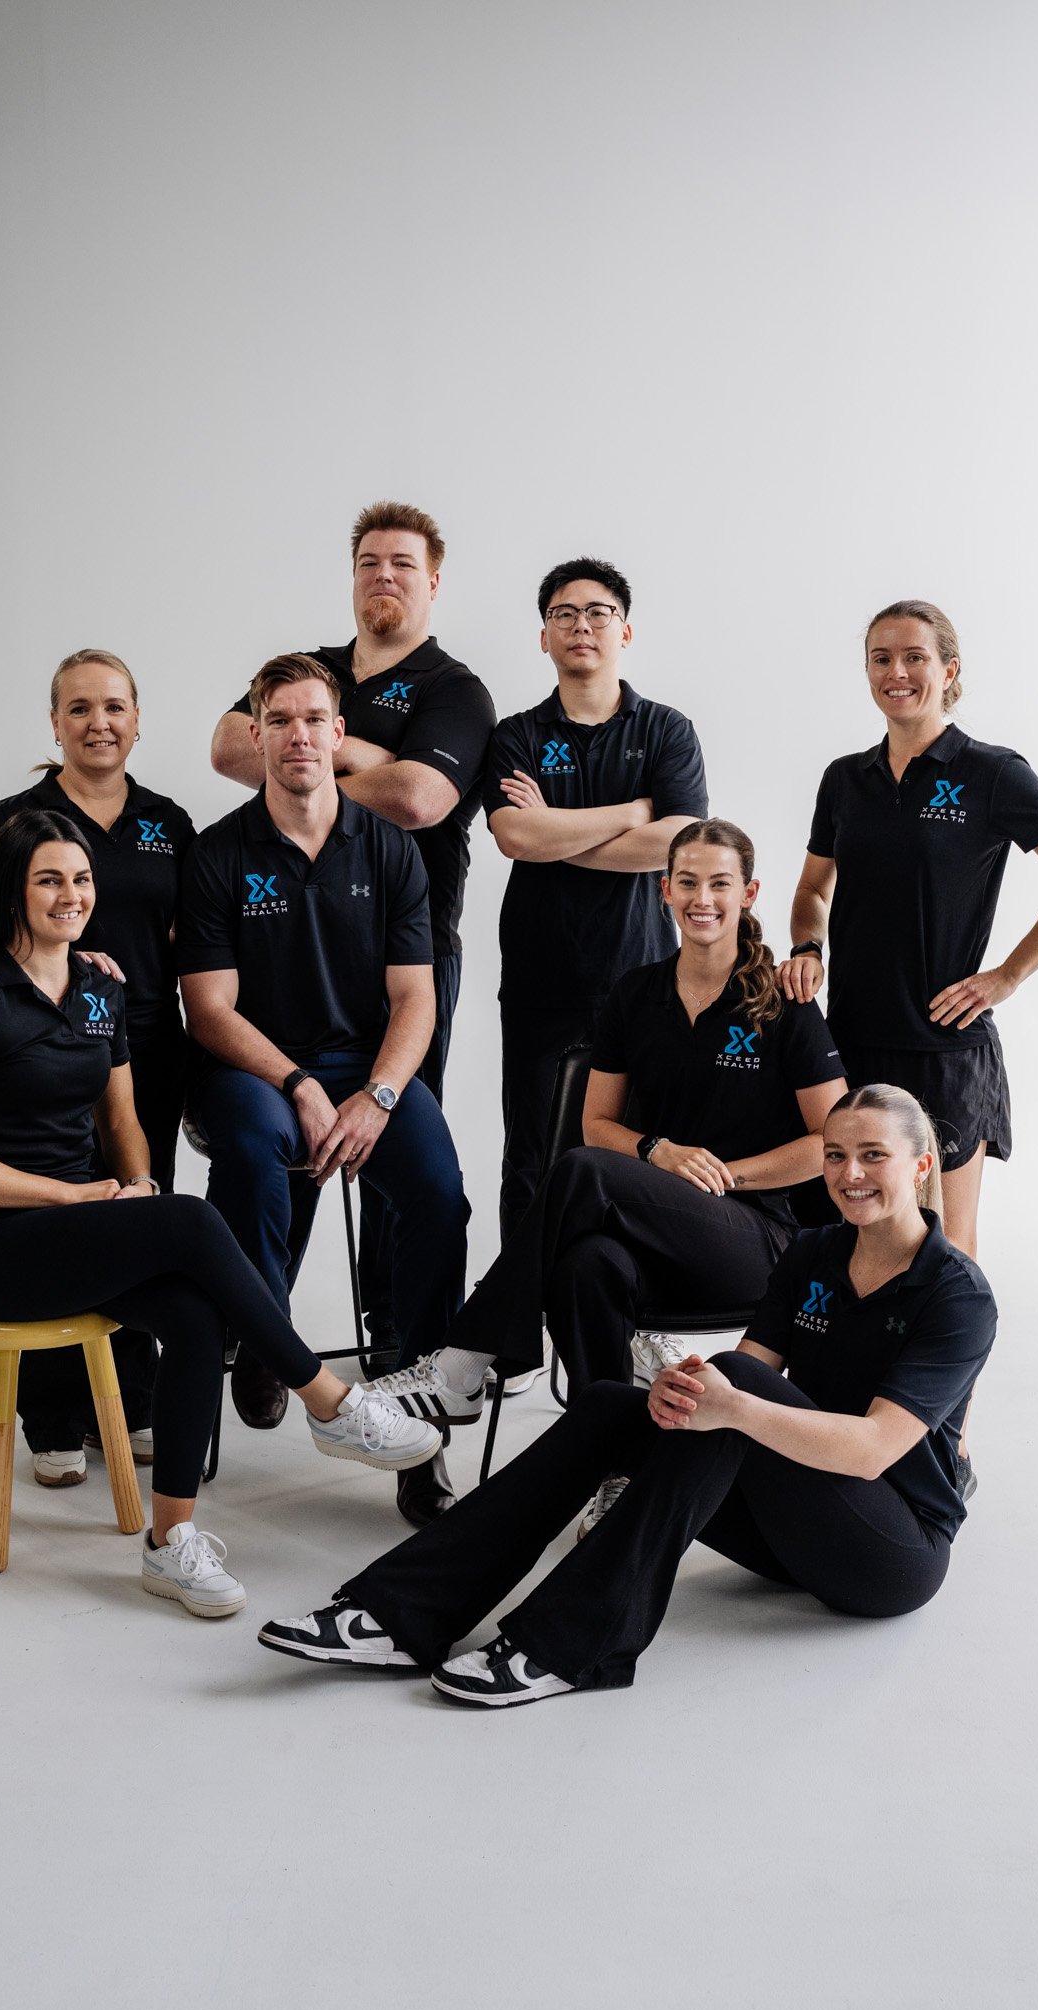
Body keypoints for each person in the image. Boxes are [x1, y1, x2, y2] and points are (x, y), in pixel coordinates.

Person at [257, 1085, 996, 1707]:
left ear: (921, 1164)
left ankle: (567, 1645)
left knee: (727, 1396)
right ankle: (398, 1613)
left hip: (887, 1551)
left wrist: (728, 1401)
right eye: (835, 1155)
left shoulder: (955, 1294)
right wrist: (686, 1393)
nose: (849, 1173)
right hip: (788, 1522)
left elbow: (870, 1452)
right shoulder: (811, 1253)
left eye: (873, 1156)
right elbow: (748, 1368)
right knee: (616, 1403)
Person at [0, 811, 444, 1619]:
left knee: (195, 1316)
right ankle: (330, 1401)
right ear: (12, 895)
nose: (70, 895)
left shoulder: (100, 988)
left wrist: (132, 1185)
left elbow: (122, 1123)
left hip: (78, 1228)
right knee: (196, 1223)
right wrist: (76, 1196)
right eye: (48, 880)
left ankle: (170, 1544)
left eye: (81, 878)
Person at [373, 819, 849, 1533]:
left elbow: (834, 1142)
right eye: (686, 882)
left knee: (579, 1173)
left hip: (753, 1241)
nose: (702, 898)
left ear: (747, 893)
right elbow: (599, 1125)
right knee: (586, 1265)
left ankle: (467, 1357)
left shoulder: (783, 1002)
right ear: (663, 891)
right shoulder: (636, 993)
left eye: (720, 883)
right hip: (652, 1243)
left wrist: (724, 1177)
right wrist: (658, 1153)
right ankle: (617, 1467)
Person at [180, 654, 470, 1526]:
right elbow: (208, 1009)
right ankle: (267, 1337)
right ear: (258, 733)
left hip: (364, 1070)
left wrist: (378, 1095)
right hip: (253, 1066)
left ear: (340, 737)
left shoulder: (389, 850)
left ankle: (420, 1437)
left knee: (437, 1196)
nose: (299, 735)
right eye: (281, 720)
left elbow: (415, 998)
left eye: (315, 719)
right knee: (256, 1148)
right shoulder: (217, 854)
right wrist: (299, 1083)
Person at [209, 503, 495, 1360]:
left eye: (403, 564)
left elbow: (420, 801)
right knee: (280, 1154)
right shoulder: (313, 669)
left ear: (432, 582)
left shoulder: (454, 689)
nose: (384, 577)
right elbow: (228, 747)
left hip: (404, 957)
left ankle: (398, 1345)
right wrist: (370, 756)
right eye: (370, 562)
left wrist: (309, 772)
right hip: (283, 958)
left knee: (395, 1164)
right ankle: (266, 1337)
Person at [776, 599, 1038, 1262]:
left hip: (944, 1050)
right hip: (847, 1043)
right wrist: (806, 945)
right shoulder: (844, 779)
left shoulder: (989, 773)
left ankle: (942, 1370)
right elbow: (813, 888)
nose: (894, 671)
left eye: (913, 657)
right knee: (844, 1238)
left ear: (947, 668)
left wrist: (1007, 975)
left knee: (944, 1248)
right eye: (880, 658)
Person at [0, 650, 193, 1489]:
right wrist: (60, 962)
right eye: (81, 708)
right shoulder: (13, 821)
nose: (100, 723)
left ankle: (125, 1398)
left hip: (143, 1055)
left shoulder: (167, 822)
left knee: (132, 1215)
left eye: (116, 707)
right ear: (54, 723)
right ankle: (51, 1414)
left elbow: (185, 949)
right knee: (52, 1226)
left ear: (137, 719)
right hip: (40, 1061)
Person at [486, 556, 707, 1243]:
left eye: (597, 613)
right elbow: (514, 835)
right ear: (543, 637)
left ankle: (627, 1320)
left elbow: (677, 845)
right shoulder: (516, 735)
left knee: (643, 1157)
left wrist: (559, 830)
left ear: (625, 632)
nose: (580, 626)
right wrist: (634, 810)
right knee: (532, 1159)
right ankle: (517, 1333)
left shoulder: (666, 730)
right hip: (540, 983)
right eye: (563, 614)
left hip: (641, 982)